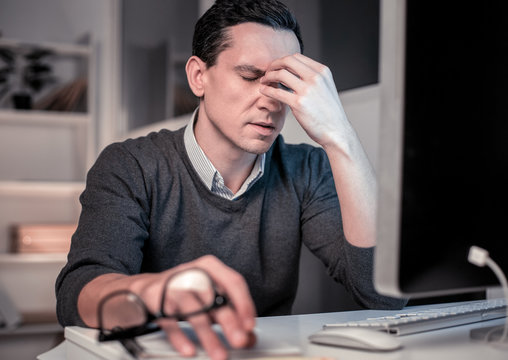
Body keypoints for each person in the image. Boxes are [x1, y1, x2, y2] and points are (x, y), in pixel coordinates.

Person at [56, 0, 406, 359]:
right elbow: (75, 295)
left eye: (284, 84)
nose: (271, 102)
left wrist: (340, 136)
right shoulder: (130, 164)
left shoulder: (307, 169)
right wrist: (151, 293)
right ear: (198, 76)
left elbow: (383, 295)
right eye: (250, 76)